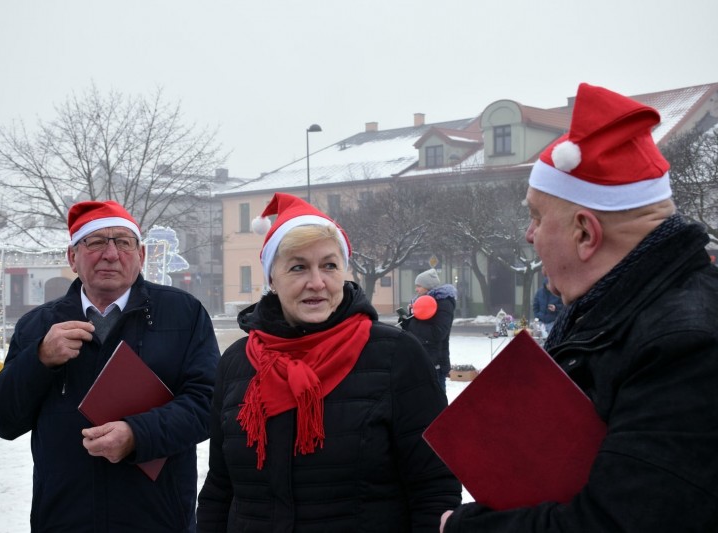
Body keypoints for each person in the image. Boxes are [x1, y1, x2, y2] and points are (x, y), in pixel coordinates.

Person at [439, 83, 718, 531]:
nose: (528, 235)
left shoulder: (685, 344)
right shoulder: (626, 312)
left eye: (536, 216)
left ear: (586, 233)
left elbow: (616, 522)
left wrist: (466, 527)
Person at [197, 193, 461, 531]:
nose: (317, 282)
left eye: (329, 266)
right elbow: (220, 488)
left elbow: (434, 487)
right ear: (272, 278)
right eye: (298, 267)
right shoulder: (237, 363)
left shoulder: (396, 355)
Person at [0, 200, 220, 532]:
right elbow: (1, 420)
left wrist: (137, 435)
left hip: (158, 520)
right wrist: (39, 359)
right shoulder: (38, 326)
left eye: (123, 242)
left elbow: (208, 404)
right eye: (95, 242)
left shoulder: (184, 314)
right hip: (65, 520)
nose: (110, 254)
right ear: (72, 257)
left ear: (141, 255)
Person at [399, 268, 457, 390]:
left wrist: (412, 322)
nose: (416, 289)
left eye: (419, 286)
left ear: (428, 286)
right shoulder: (420, 302)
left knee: (436, 400)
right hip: (419, 362)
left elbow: (438, 333)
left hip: (435, 364)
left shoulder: (444, 304)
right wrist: (406, 320)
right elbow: (414, 331)